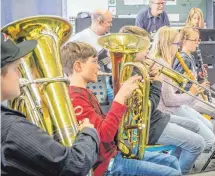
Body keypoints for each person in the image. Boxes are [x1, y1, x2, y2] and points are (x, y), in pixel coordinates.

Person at [61, 41, 183, 176]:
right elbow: (104, 135)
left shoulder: (85, 92)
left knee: (171, 161)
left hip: (113, 154)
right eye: (94, 61)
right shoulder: (75, 99)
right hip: (106, 165)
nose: (98, 67)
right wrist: (121, 97)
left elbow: (104, 127)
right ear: (78, 66)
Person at [1, 34, 99, 176]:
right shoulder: (11, 127)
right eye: (16, 68)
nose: (19, 76)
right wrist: (88, 132)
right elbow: (75, 165)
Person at [116, 26, 206, 174]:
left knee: (195, 127)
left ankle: (172, 168)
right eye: (145, 48)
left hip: (155, 118)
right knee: (199, 143)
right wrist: (156, 83)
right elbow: (147, 108)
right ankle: (181, 172)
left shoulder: (139, 67)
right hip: (148, 125)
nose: (147, 52)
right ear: (133, 48)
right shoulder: (131, 72)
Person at [149, 26, 215, 153]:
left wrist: (183, 83)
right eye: (177, 44)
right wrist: (192, 93)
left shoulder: (163, 60)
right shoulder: (161, 64)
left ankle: (177, 159)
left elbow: (170, 90)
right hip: (169, 110)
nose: (179, 47)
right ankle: (179, 165)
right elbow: (169, 100)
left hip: (176, 105)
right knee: (208, 141)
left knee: (208, 126)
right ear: (168, 44)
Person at [172, 27, 215, 157]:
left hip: (194, 96)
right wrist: (199, 85)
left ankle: (214, 139)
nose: (198, 43)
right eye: (195, 40)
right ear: (185, 40)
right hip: (188, 100)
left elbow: (188, 80)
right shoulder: (183, 59)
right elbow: (177, 86)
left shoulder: (189, 57)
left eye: (199, 40)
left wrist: (199, 77)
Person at [69, 9, 113, 101]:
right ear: (99, 22)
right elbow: (68, 60)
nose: (111, 25)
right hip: (93, 85)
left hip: (109, 81)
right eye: (108, 22)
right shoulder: (80, 38)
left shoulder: (109, 37)